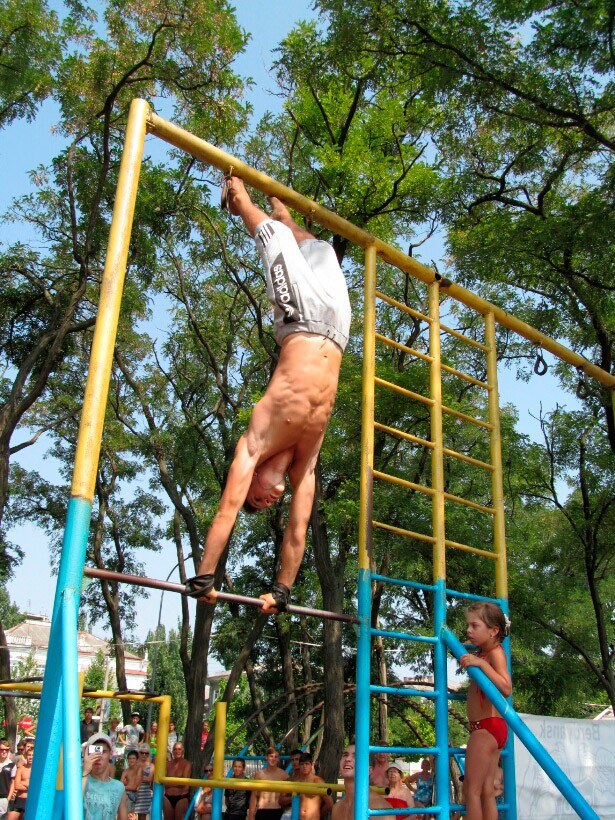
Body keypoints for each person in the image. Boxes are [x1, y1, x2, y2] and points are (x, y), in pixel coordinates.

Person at [186, 176, 351, 614]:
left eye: (256, 497)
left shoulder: (254, 442)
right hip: (338, 329)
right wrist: (282, 589)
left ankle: (239, 198)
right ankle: (289, 218)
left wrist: (206, 575)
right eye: (263, 502)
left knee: (273, 238)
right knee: (319, 250)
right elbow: (297, 530)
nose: (266, 498)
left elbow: (227, 509)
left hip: (300, 319)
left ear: (252, 479)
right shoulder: (304, 465)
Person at [458, 602, 511, 820]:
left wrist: (482, 665)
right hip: (492, 728)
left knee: (471, 790)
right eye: (467, 625)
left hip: (486, 728)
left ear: (493, 631)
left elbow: (506, 687)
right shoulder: (483, 651)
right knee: (487, 791)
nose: (469, 630)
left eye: (474, 625)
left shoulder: (494, 654)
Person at [331, 744, 394, 820]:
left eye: (355, 756)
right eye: (345, 755)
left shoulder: (381, 809)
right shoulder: (336, 807)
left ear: (369, 770)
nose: (348, 759)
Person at [81, 733, 128, 820]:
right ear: (86, 754)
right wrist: (85, 772)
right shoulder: (80, 781)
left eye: (103, 751)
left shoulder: (119, 787)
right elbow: (72, 804)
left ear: (111, 754)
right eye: (94, 751)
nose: (98, 756)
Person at [279, 752, 332, 820]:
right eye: (302, 764)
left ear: (312, 764)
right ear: (299, 765)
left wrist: (319, 814)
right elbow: (281, 800)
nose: (304, 766)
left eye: (307, 764)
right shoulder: (297, 782)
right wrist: (295, 797)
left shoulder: (318, 781)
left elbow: (329, 804)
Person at [248, 747, 289, 820]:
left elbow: (288, 796)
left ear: (278, 759)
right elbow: (253, 796)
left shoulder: (284, 775)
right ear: (266, 757)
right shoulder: (259, 775)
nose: (273, 759)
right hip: (261, 810)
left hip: (277, 811)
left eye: (276, 757)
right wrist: (251, 815)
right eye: (271, 756)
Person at [163, 742, 192, 820]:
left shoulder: (187, 764)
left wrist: (169, 782)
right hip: (168, 797)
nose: (177, 751)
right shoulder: (168, 764)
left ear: (183, 751)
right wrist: (177, 782)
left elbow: (184, 783)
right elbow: (164, 782)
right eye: (175, 749)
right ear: (172, 751)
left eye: (179, 749)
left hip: (181, 797)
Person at [7, 743, 32, 819]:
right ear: (25, 756)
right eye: (29, 755)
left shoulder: (37, 771)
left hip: (29, 800)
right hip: (19, 800)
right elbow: (17, 785)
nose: (30, 757)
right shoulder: (21, 768)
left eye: (32, 755)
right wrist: (29, 785)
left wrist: (23, 783)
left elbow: (35, 787)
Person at [121, 750, 143, 815]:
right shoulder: (125, 771)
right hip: (126, 794)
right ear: (127, 760)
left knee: (129, 815)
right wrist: (123, 786)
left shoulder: (139, 769)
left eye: (133, 758)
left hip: (133, 795)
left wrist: (124, 786)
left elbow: (134, 787)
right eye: (130, 758)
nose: (131, 760)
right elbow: (120, 784)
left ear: (137, 760)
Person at [134, 746, 153, 820]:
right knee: (130, 815)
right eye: (142, 753)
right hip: (134, 791)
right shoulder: (134, 763)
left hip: (145, 793)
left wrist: (138, 777)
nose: (144, 755)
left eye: (146, 753)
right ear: (139, 753)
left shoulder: (151, 766)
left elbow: (149, 779)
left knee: (142, 817)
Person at [0, 738, 16, 820]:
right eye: (2, 749)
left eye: (6, 750)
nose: (4, 752)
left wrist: (8, 798)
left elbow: (12, 782)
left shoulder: (11, 765)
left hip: (3, 798)